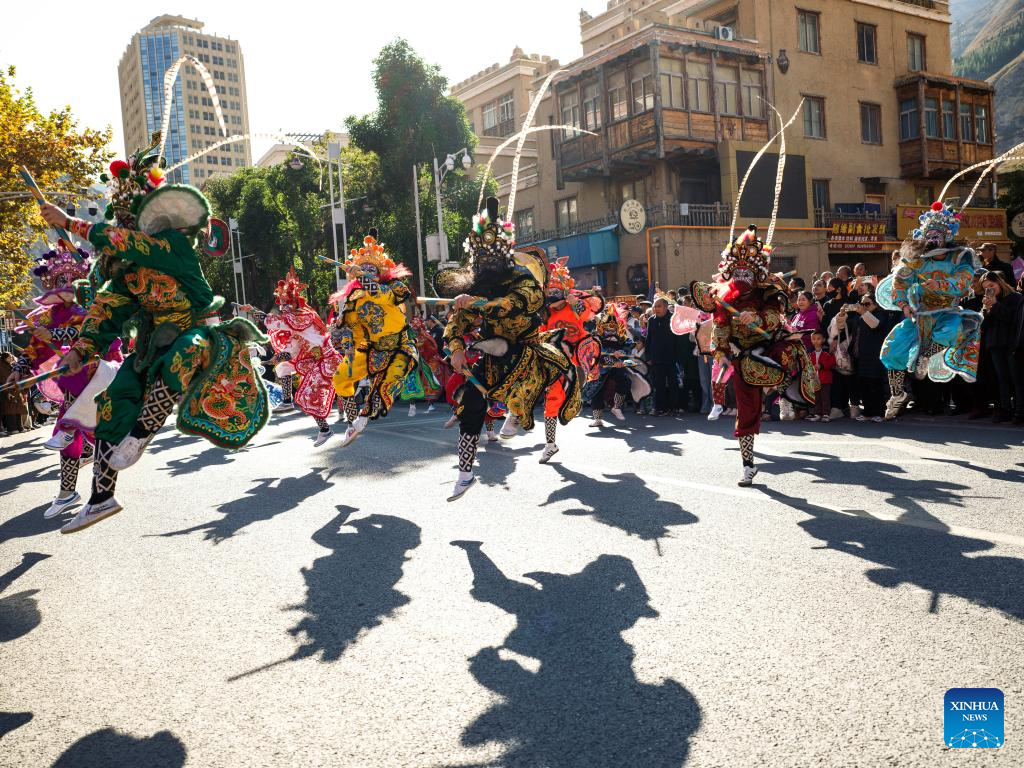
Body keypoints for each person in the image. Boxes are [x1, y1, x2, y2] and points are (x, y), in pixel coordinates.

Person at [42, 142, 270, 533]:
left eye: (134, 222)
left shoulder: (173, 247)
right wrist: (79, 352)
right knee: (111, 402)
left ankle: (142, 434)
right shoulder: (127, 276)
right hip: (150, 349)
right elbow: (103, 314)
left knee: (184, 350)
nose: (129, 229)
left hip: (200, 337)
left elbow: (121, 242)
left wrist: (69, 222)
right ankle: (100, 498)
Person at [436, 198, 580, 500]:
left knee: (516, 368)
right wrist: (457, 347)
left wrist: (481, 304)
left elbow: (519, 303)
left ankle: (516, 411)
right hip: (490, 354)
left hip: (523, 350)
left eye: (490, 254)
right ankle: (465, 472)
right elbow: (457, 324)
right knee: (471, 403)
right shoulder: (475, 284)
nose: (485, 260)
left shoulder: (521, 278)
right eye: (480, 255)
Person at [691, 225, 818, 485]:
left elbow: (774, 317)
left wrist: (757, 317)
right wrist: (721, 352)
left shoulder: (766, 290)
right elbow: (721, 326)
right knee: (746, 410)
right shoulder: (723, 297)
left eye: (745, 270)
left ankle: (783, 392)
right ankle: (748, 465)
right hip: (741, 354)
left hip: (769, 343)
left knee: (791, 350)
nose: (741, 274)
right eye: (736, 270)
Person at [6, 242, 123, 519]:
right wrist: (20, 369)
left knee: (89, 429)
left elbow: (92, 335)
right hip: (74, 380)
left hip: (99, 371)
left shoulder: (94, 307)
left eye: (73, 280)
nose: (67, 285)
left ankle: (93, 477)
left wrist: (57, 337)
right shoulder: (48, 316)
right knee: (70, 440)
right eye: (61, 280)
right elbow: (35, 348)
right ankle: (68, 490)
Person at [878, 202, 982, 419]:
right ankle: (897, 394)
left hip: (946, 312)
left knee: (951, 331)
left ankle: (925, 357)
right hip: (919, 315)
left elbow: (963, 282)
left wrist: (941, 285)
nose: (934, 240)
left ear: (946, 237)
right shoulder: (917, 263)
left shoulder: (959, 258)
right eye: (930, 235)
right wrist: (904, 305)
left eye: (938, 235)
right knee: (892, 349)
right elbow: (900, 282)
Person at [330, 230, 418, 446]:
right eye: (363, 270)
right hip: (371, 348)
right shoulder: (355, 299)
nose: (367, 273)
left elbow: (382, 295)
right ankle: (352, 422)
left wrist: (363, 277)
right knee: (340, 378)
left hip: (400, 346)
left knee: (385, 384)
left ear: (380, 272)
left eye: (371, 270)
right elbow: (352, 328)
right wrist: (346, 340)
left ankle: (362, 418)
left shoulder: (393, 288)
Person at [263, 268, 342, 447]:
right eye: (281, 305)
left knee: (308, 396)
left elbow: (278, 322)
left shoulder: (304, 317)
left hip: (327, 361)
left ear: (295, 303)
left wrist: (255, 312)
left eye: (286, 304)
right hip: (313, 362)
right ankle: (287, 401)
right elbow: (291, 351)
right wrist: (275, 359)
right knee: (284, 369)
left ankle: (350, 423)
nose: (283, 308)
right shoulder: (295, 327)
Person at [537, 256, 603, 462]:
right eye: (549, 295)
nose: (552, 300)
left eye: (556, 295)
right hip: (558, 357)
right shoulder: (545, 314)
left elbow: (588, 312)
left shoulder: (574, 305)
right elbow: (542, 337)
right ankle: (550, 444)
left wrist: (577, 305)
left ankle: (606, 366)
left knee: (595, 367)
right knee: (551, 399)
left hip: (580, 350)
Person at [840, 290, 898, 421]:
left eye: (867, 304)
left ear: (876, 304)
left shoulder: (881, 314)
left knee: (875, 384)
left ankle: (879, 412)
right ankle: (867, 413)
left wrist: (862, 312)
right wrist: (842, 313)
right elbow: (842, 327)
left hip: (874, 356)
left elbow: (875, 325)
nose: (864, 306)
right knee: (864, 384)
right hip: (860, 356)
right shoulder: (859, 316)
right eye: (862, 304)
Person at [980, 270, 1024, 423]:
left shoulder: (1016, 298)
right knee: (1002, 379)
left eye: (991, 285)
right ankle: (1005, 410)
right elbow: (984, 325)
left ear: (999, 282)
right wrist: (986, 310)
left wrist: (996, 305)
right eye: (986, 288)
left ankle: (1020, 412)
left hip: (1012, 344)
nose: (990, 290)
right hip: (995, 345)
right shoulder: (990, 301)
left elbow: (1012, 319)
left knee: (1016, 379)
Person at [644, 297, 679, 415]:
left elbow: (677, 339)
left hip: (671, 357)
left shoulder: (672, 318)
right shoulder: (651, 320)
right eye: (654, 306)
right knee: (658, 385)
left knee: (673, 384)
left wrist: (677, 356)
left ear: (665, 307)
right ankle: (660, 408)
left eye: (658, 306)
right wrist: (648, 357)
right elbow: (648, 339)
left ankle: (674, 407)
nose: (656, 309)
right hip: (656, 358)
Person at [807, 329, 835, 422]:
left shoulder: (827, 351)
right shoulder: (810, 353)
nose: (816, 341)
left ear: (823, 339)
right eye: (814, 339)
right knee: (816, 398)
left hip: (825, 380)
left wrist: (822, 366)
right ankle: (817, 414)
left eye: (818, 339)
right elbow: (808, 365)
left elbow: (832, 362)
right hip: (814, 380)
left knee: (825, 398)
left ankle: (826, 414)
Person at [0, 352, 29, 435]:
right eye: (9, 357)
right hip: (7, 391)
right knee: (10, 411)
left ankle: (20, 427)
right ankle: (12, 428)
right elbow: (2, 380)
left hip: (16, 390)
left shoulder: (11, 365)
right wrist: (7, 392)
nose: (11, 359)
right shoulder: (1, 366)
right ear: (4, 358)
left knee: (18, 410)